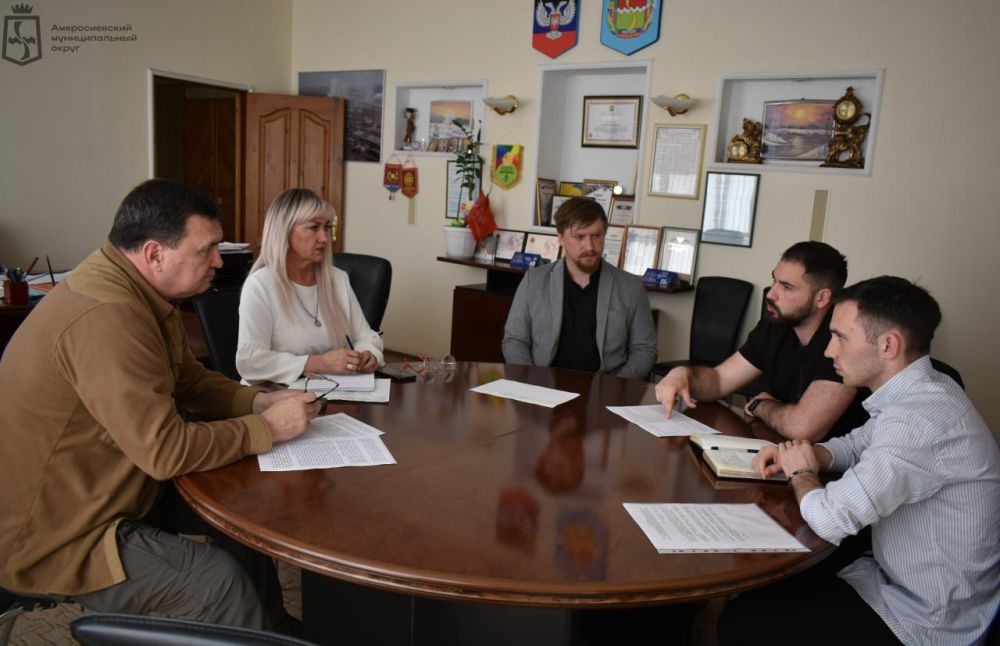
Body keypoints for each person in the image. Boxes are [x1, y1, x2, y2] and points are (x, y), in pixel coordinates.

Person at [0, 179, 320, 631]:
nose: (218, 261)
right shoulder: (108, 317)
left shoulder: (138, 291)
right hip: (57, 531)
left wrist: (260, 400)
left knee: (243, 510)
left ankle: (270, 630)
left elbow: (188, 380)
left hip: (110, 482)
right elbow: (165, 451)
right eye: (207, 249)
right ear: (154, 253)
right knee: (216, 582)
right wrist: (268, 428)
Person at [719, 276, 1000, 645]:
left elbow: (829, 518)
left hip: (924, 619)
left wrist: (801, 472)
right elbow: (857, 444)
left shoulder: (916, 422)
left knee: (741, 621)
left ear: (888, 345)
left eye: (840, 337)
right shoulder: (926, 389)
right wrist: (811, 455)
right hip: (893, 578)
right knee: (768, 588)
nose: (829, 351)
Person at [655, 241, 865, 441]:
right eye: (774, 280)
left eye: (786, 287)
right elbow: (719, 380)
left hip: (840, 463)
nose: (771, 294)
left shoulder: (842, 341)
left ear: (822, 298)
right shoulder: (776, 324)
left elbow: (802, 428)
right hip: (780, 450)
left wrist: (760, 406)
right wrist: (684, 375)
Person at [236, 188, 383, 385]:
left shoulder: (338, 279)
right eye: (313, 228)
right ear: (284, 232)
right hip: (273, 394)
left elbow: (365, 337)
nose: (324, 238)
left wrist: (368, 355)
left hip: (332, 391)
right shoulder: (260, 285)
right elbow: (250, 361)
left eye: (326, 228)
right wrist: (319, 363)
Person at [502, 197, 656, 380]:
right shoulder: (534, 281)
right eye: (579, 237)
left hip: (606, 387)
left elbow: (644, 349)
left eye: (596, 236)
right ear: (561, 238)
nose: (589, 246)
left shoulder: (631, 287)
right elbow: (515, 340)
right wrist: (532, 381)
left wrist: (615, 385)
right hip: (544, 385)